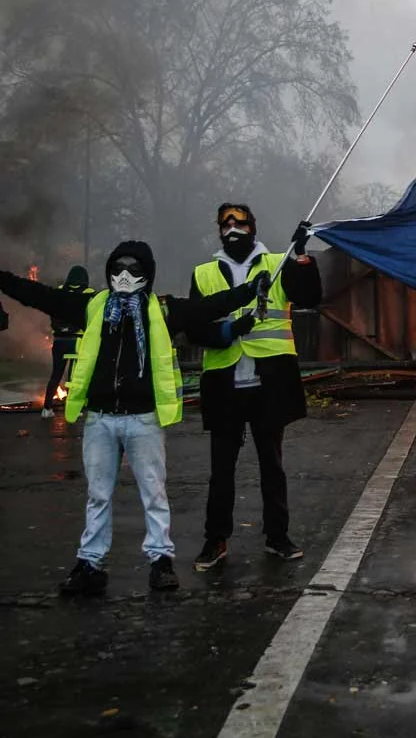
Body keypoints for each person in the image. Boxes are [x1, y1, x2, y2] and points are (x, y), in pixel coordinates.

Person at [0, 242, 266, 595]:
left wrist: (250, 289)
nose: (124, 277)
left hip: (143, 419)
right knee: (98, 495)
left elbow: (209, 307)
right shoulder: (93, 306)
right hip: (100, 418)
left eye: (134, 270)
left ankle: (161, 561)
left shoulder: (164, 310)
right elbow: (40, 295)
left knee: (153, 493)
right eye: (118, 268)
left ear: (148, 274)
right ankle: (89, 563)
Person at [188, 204, 321, 571]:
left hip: (269, 380)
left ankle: (277, 537)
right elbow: (195, 328)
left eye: (239, 222)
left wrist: (301, 256)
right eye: (225, 223)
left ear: (252, 226)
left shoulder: (277, 263)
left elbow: (309, 297)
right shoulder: (203, 273)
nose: (232, 228)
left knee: (271, 465)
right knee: (221, 469)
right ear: (218, 230)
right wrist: (229, 330)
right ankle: (216, 540)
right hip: (224, 381)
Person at [41, 265, 93, 419]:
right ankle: (74, 409)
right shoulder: (88, 293)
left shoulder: (59, 291)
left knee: (56, 374)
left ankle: (46, 408)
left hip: (58, 340)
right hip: (77, 340)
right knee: (74, 376)